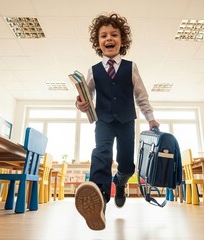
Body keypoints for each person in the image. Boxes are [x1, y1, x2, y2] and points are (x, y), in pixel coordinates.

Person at [74, 13, 160, 231]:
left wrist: (150, 119)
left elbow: (141, 95)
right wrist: (81, 104)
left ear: (122, 41)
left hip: (126, 121)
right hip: (103, 120)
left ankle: (119, 182)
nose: (108, 38)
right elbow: (87, 96)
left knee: (126, 163)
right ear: (98, 42)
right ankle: (100, 202)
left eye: (114, 34)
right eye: (103, 36)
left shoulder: (130, 67)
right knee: (101, 153)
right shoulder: (93, 70)